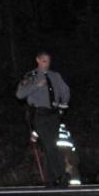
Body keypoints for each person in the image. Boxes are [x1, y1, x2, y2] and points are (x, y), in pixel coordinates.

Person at [16, 51, 71, 186]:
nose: (47, 63)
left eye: (48, 61)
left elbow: (65, 91)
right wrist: (36, 86)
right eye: (44, 60)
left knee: (51, 145)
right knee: (50, 144)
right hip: (39, 115)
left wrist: (63, 104)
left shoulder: (55, 76)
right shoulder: (31, 76)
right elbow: (20, 94)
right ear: (38, 60)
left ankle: (50, 179)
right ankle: (61, 174)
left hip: (53, 115)